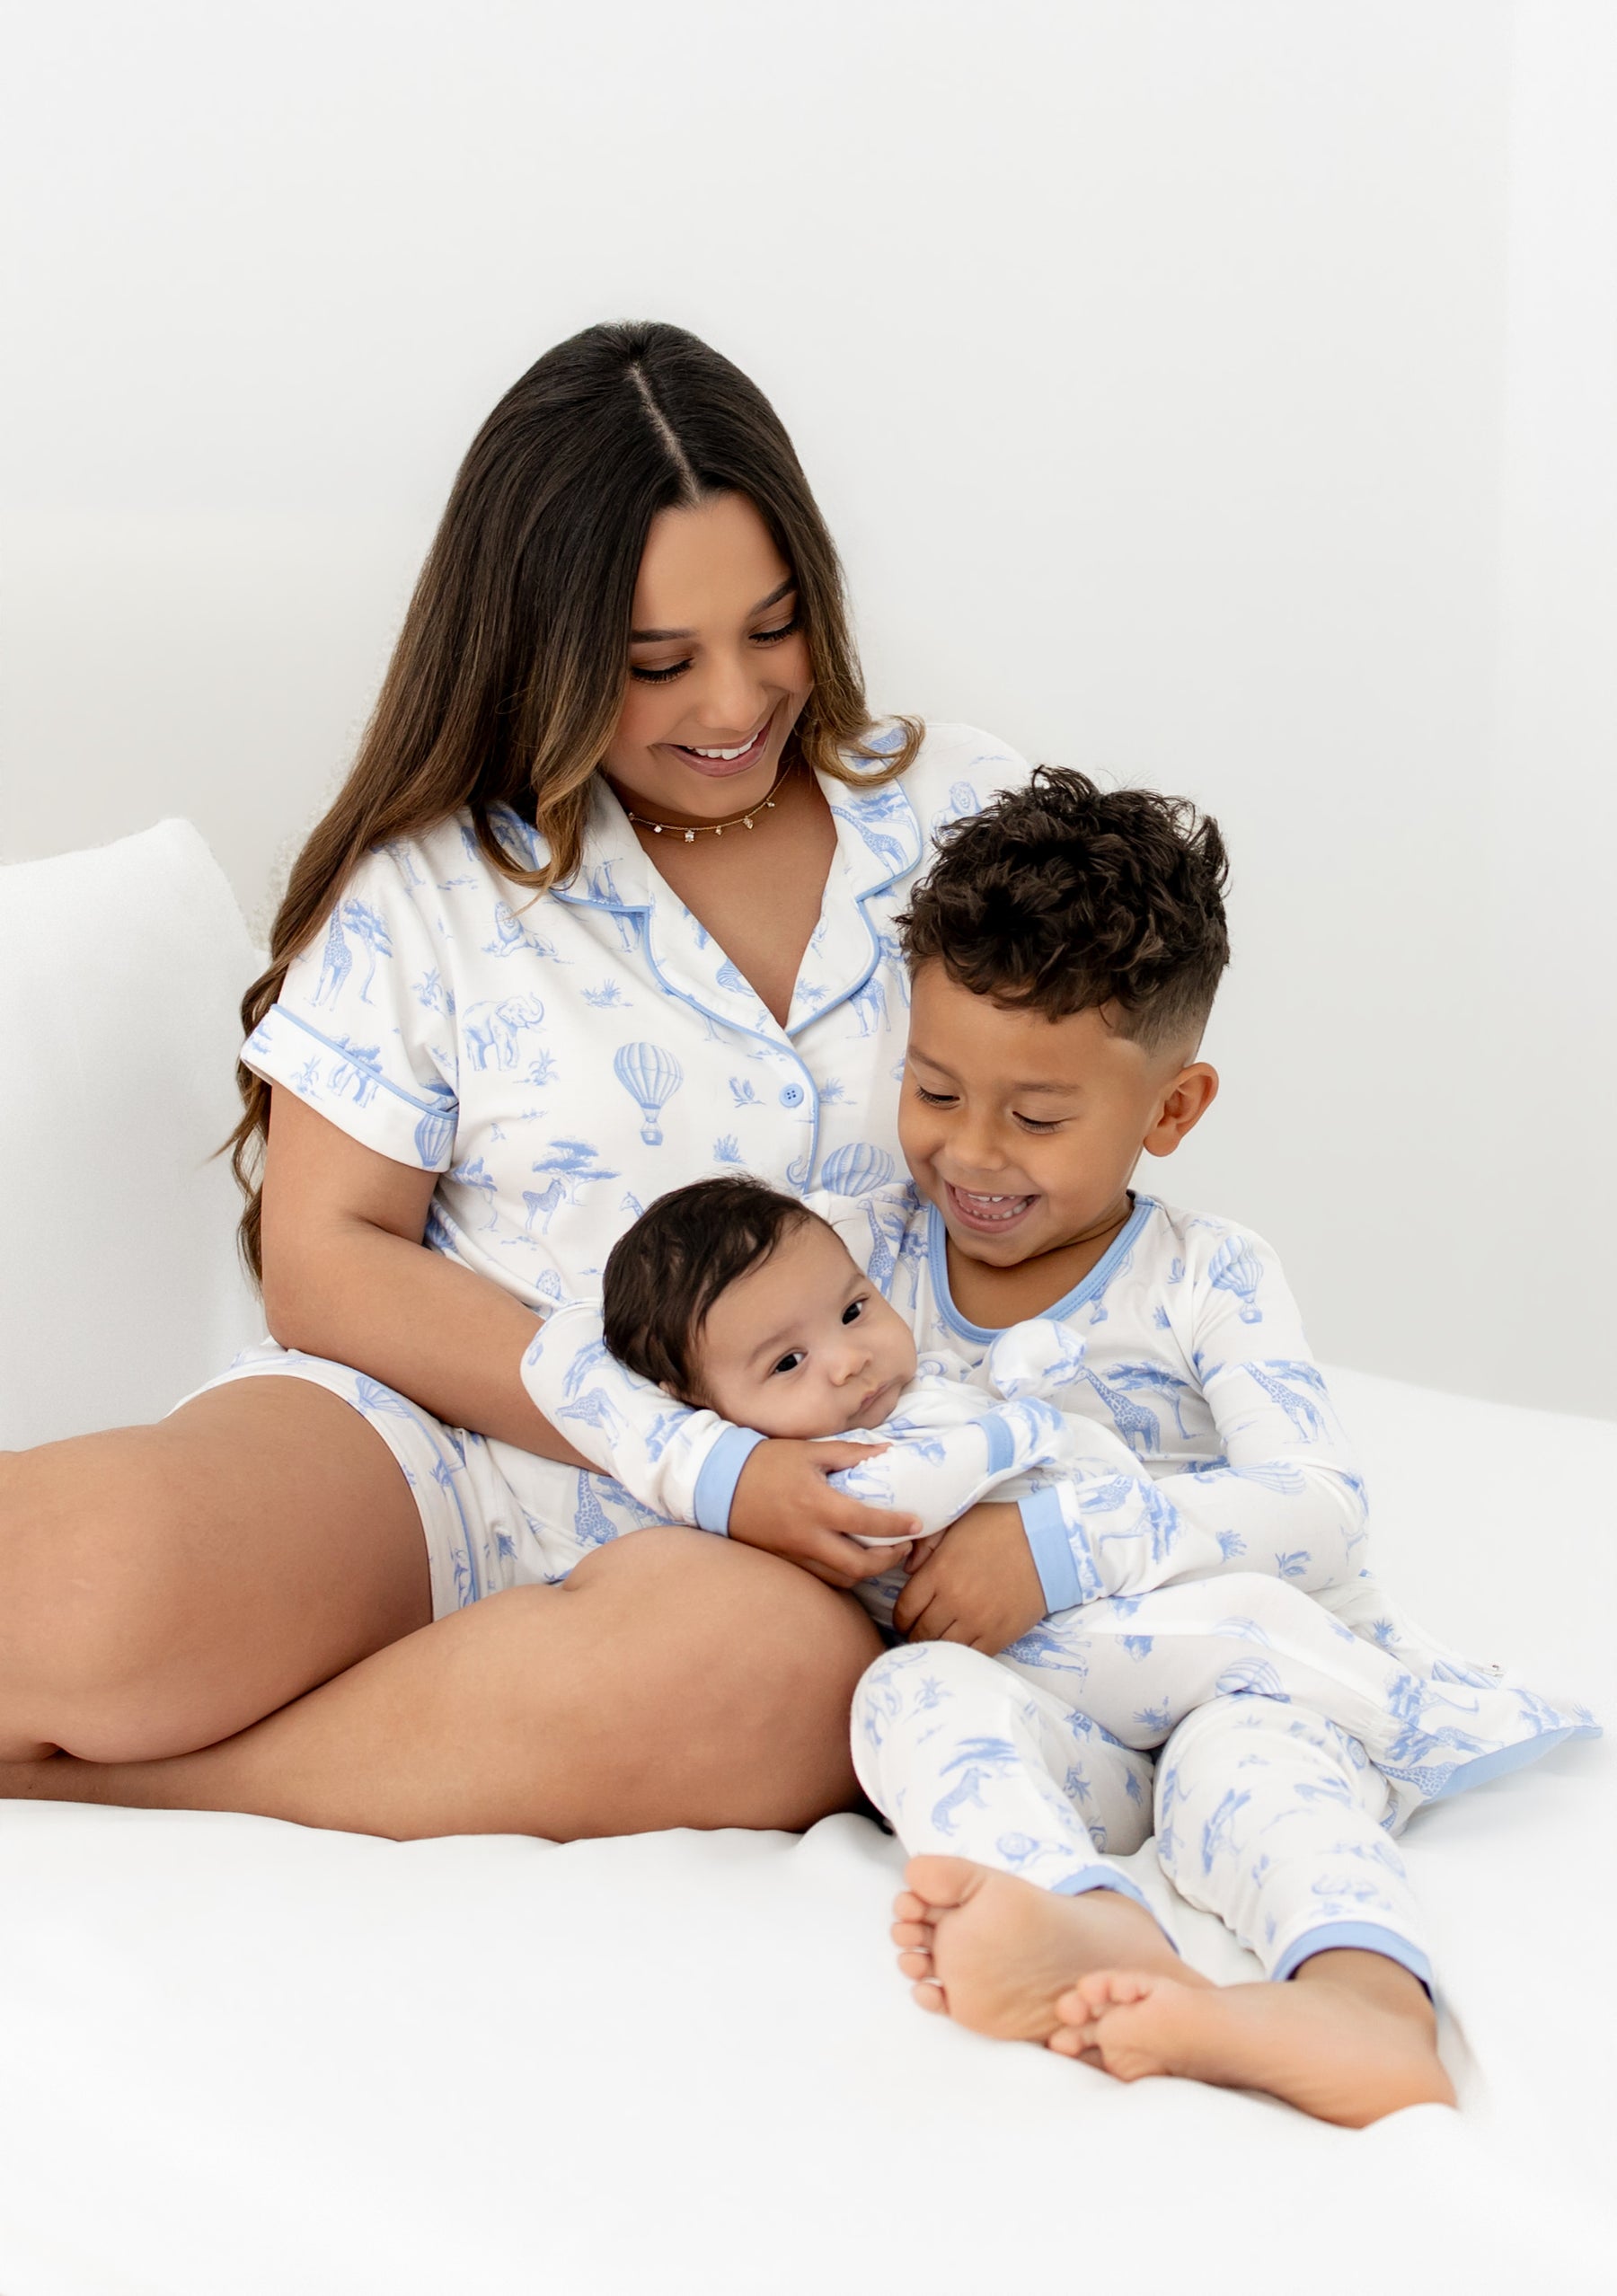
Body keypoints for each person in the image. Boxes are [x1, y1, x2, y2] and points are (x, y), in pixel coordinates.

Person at [0, 321, 1023, 1840]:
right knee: (98, 1590)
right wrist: (668, 1442)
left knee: (760, 1689)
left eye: (774, 626)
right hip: (448, 1434)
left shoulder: (959, 815)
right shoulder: (435, 887)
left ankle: (152, 1790)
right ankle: (294, 1694)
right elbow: (323, 1261)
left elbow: (1077, 1153)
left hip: (800, 1525)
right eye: (658, 664)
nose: (736, 703)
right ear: (539, 650)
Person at [522, 771, 1595, 2127]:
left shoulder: (1212, 1277)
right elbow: (567, 1343)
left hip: (1222, 1663)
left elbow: (1320, 1506)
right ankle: (1091, 1928)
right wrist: (724, 1474)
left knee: (1259, 1780)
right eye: (933, 1088)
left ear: (1171, 1110)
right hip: (1056, 1721)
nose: (972, 1153)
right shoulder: (848, 1250)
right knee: (904, 1705)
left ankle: (1364, 2010)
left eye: (1037, 1119)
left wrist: (1061, 1541)